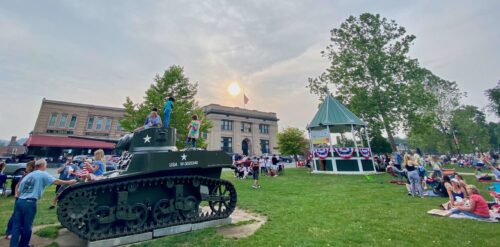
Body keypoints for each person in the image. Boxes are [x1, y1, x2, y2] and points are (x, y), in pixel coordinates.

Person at [10, 159, 76, 247]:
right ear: (42, 165)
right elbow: (56, 182)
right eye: (46, 165)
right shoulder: (42, 173)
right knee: (27, 227)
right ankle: (24, 245)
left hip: (20, 201)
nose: (46, 167)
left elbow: (19, 190)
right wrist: (70, 182)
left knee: (16, 226)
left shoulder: (28, 175)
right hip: (29, 202)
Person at [5, 161, 35, 240]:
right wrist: (16, 193)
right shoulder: (26, 175)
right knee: (15, 215)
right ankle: (9, 233)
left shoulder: (31, 175)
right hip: (21, 198)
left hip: (25, 198)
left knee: (20, 217)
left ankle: (17, 233)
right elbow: (18, 185)